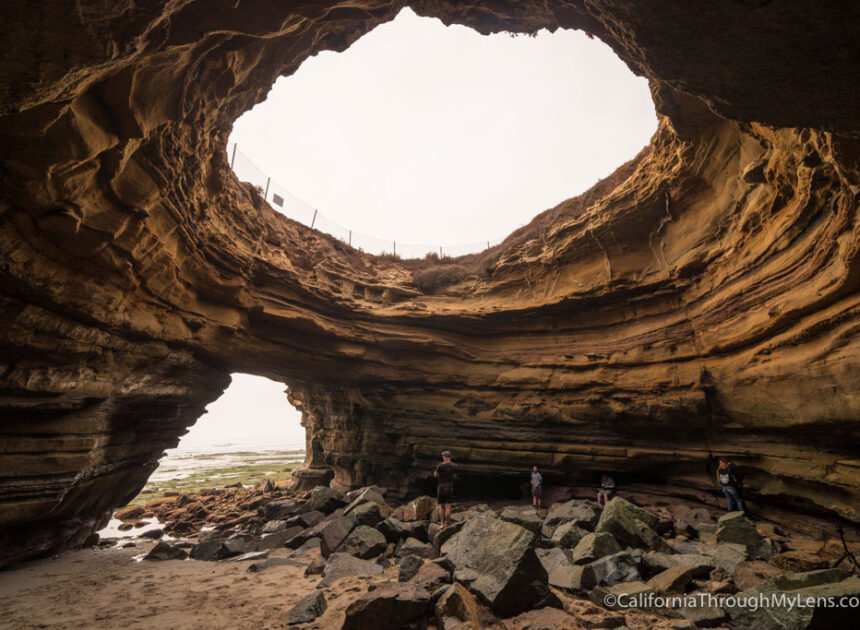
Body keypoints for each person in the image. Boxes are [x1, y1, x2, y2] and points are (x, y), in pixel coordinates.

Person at [434, 450, 457, 529]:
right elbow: (454, 476)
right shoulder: (454, 466)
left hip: (441, 487)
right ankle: (448, 524)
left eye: (443, 456)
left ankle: (442, 524)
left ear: (445, 457)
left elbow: (435, 475)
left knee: (441, 507)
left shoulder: (440, 466)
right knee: (448, 508)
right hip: (449, 488)